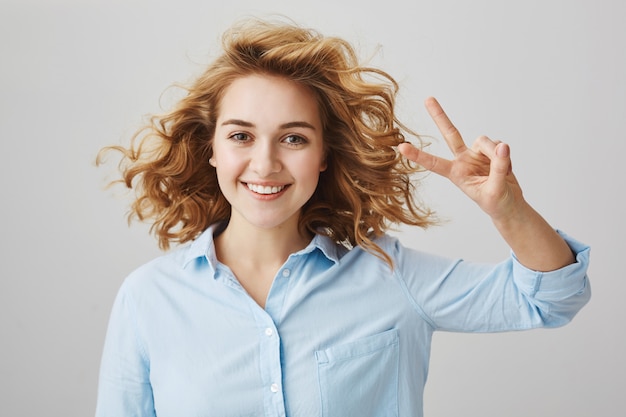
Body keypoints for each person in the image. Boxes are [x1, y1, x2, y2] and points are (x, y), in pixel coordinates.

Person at [95, 17, 591, 417]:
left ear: (324, 155)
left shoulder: (392, 278)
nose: (265, 164)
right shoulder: (148, 298)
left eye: (293, 138)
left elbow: (551, 299)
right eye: (241, 136)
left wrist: (508, 211)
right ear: (211, 149)